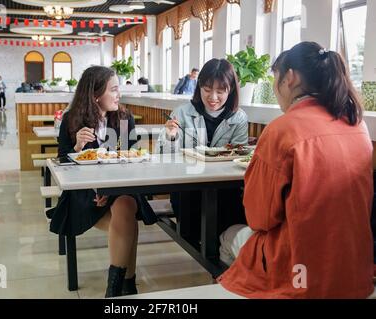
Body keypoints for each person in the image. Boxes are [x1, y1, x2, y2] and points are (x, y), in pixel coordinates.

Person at [217, 42, 374, 298]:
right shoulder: (357, 125)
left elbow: (259, 218)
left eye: (275, 78)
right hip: (355, 270)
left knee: (229, 236)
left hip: (300, 274)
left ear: (290, 78)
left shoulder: (283, 129)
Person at [48, 66, 157, 298]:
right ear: (95, 94)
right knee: (127, 220)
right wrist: (77, 147)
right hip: (85, 195)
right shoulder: (72, 119)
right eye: (114, 90)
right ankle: (127, 284)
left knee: (126, 204)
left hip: (120, 189)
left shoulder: (124, 118)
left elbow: (132, 157)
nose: (119, 95)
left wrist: (112, 187)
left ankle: (113, 291)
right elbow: (63, 162)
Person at [158, 58, 248, 234]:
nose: (213, 98)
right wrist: (170, 136)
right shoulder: (182, 113)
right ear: (199, 87)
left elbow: (239, 157)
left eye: (221, 91)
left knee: (231, 224)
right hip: (188, 187)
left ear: (231, 91)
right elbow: (165, 159)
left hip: (225, 189)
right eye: (207, 90)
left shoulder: (238, 117)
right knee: (194, 231)